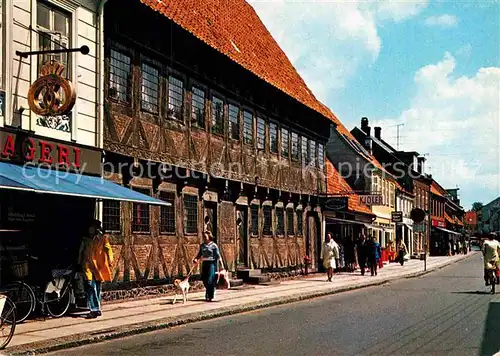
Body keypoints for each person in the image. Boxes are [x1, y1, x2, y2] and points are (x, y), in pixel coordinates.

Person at [78, 219, 113, 319]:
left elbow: (108, 249)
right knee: (90, 286)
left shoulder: (102, 239)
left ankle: (97, 308)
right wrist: (78, 262)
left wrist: (110, 260)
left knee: (97, 288)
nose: (90, 229)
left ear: (96, 229)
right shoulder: (85, 239)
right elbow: (81, 251)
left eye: (92, 228)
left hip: (98, 267)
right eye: (89, 227)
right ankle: (94, 309)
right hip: (88, 266)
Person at [193, 231, 222, 301]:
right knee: (205, 280)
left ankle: (209, 295)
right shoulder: (202, 245)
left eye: (205, 237)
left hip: (212, 264)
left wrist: (222, 266)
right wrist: (196, 259)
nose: (204, 238)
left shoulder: (214, 246)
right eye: (203, 237)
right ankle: (210, 291)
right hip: (204, 264)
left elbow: (218, 256)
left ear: (209, 237)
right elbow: (199, 254)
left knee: (210, 280)